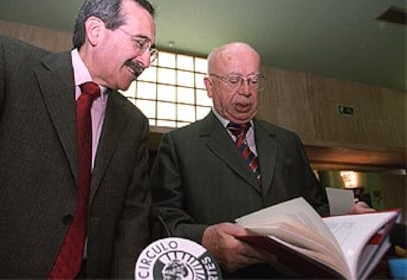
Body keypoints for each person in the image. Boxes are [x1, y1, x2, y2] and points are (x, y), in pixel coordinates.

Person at [150, 42, 374, 278]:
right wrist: (206, 239)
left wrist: (346, 215)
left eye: (254, 80)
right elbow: (162, 219)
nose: (246, 90)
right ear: (210, 86)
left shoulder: (288, 141)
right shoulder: (179, 144)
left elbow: (315, 206)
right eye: (234, 80)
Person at [0, 0, 156, 278]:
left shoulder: (134, 123)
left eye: (150, 51)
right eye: (139, 43)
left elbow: (133, 219)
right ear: (95, 30)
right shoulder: (8, 64)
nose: (145, 61)